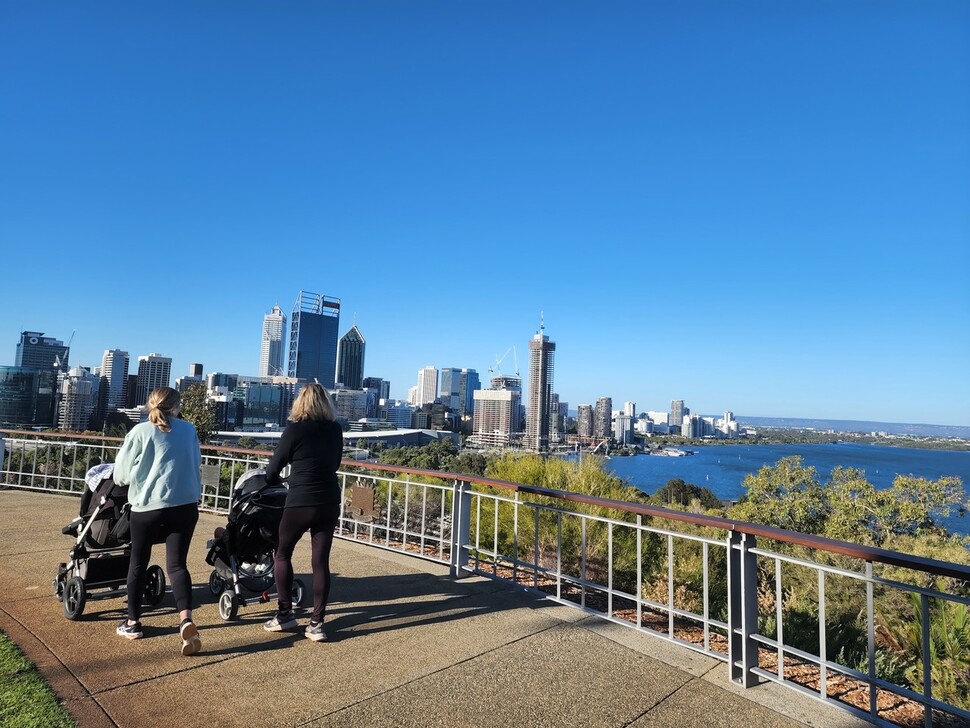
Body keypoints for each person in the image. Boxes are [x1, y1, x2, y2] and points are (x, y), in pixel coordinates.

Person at [113, 387, 203, 656]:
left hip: (148, 508)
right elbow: (196, 463)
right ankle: (186, 619)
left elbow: (121, 475)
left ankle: (133, 623)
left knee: (138, 563)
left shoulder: (140, 432)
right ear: (176, 406)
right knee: (177, 565)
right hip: (185, 506)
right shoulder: (189, 430)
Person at [263, 382, 343, 642]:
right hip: (329, 501)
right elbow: (336, 462)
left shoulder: (294, 431)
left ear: (300, 403)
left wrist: (273, 479)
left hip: (300, 501)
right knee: (320, 562)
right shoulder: (335, 430)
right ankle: (317, 623)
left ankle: (285, 614)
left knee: (282, 553)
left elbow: (273, 469)